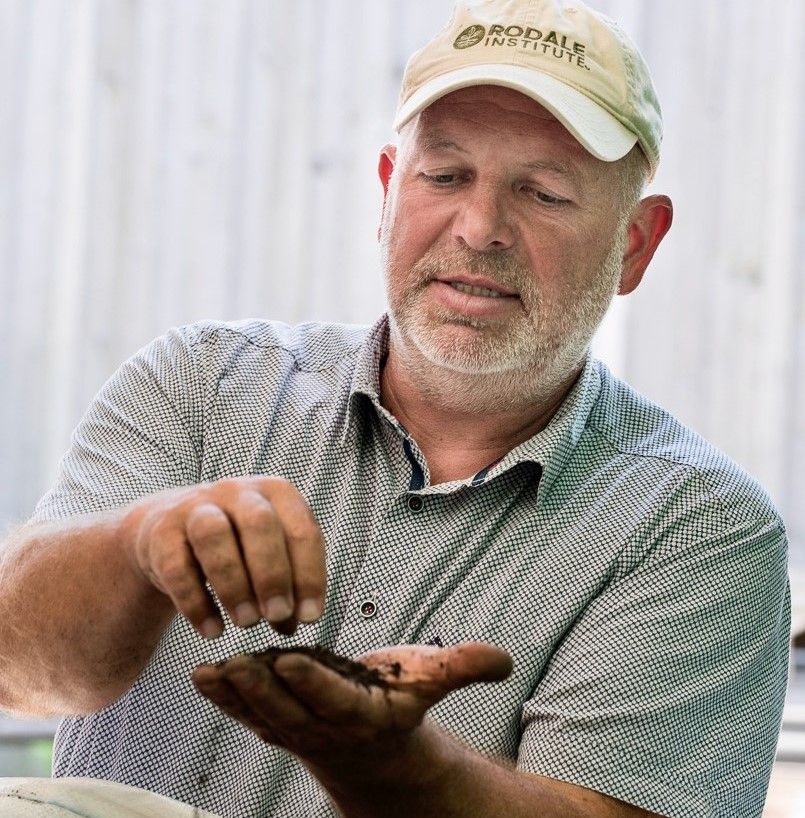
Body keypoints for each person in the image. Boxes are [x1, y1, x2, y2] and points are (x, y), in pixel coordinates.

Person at [0, 0, 790, 816]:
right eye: (444, 176)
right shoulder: (199, 383)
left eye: (544, 193)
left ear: (634, 242)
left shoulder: (697, 527)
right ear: (387, 191)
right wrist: (136, 544)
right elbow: (17, 668)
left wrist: (388, 765)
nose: (480, 228)